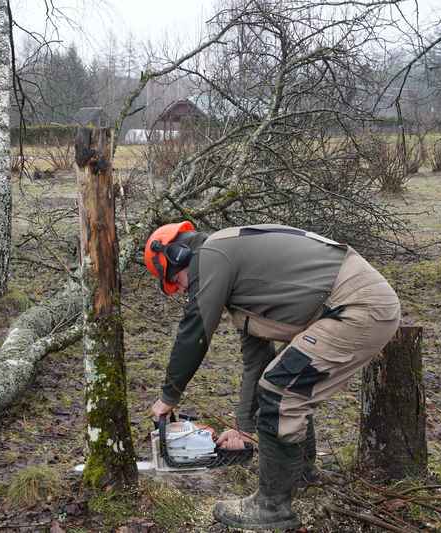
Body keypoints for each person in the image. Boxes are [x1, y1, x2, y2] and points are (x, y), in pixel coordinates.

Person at [145, 221, 400, 531]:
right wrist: (245, 428)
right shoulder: (237, 272)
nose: (183, 289)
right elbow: (256, 363)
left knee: (282, 389)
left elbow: (195, 329)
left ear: (178, 254)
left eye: (176, 280)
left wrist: (168, 396)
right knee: (283, 378)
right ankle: (301, 475)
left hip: (357, 306)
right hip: (347, 305)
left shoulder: (211, 255)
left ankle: (272, 508)